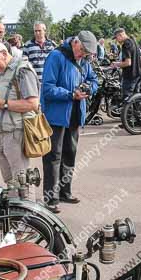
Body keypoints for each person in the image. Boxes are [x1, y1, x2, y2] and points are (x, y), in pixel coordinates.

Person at [40, 31, 99, 214]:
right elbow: (47, 88)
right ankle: (51, 198)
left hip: (75, 114)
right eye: (82, 51)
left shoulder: (84, 61)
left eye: (86, 54)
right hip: (56, 116)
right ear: (75, 42)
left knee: (70, 153)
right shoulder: (56, 56)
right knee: (53, 157)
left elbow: (93, 80)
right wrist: (69, 94)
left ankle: (65, 191)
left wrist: (89, 89)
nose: (83, 56)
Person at [0, 41, 41, 185]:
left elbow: (33, 104)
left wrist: (3, 104)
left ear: (3, 53)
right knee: (10, 182)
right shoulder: (3, 72)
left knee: (22, 182)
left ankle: (26, 207)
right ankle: (13, 207)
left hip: (16, 133)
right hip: (3, 134)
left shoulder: (22, 71)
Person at [111, 28, 141, 100]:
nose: (116, 40)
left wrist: (116, 64)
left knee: (127, 100)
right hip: (139, 74)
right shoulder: (133, 41)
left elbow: (128, 63)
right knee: (136, 100)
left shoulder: (126, 44)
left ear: (120, 35)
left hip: (130, 76)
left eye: (116, 38)